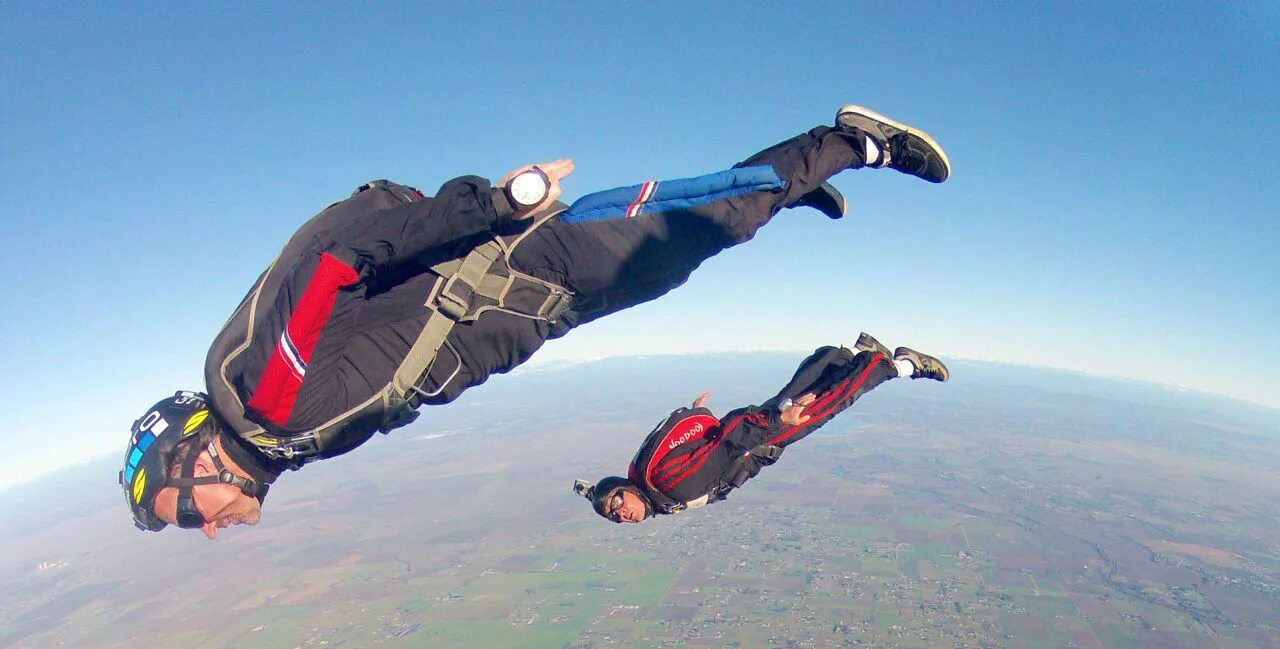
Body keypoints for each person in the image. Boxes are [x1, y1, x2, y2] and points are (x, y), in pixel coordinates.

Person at [119, 104, 952, 537]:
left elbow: (331, 258)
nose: (207, 528)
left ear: (194, 454)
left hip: (528, 269)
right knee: (692, 240)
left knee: (709, 225)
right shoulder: (283, 437)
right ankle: (779, 189)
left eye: (187, 511)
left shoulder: (261, 401)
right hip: (538, 301)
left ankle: (848, 142)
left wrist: (487, 203)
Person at [576, 334, 949, 523]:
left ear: (626, 490)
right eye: (613, 515)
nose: (619, 513)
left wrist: (775, 424)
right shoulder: (652, 480)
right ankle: (849, 354)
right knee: (796, 394)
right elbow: (695, 443)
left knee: (826, 406)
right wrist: (698, 412)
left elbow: (726, 440)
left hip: (755, 442)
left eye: (616, 503)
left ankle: (897, 364)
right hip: (753, 444)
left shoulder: (669, 485)